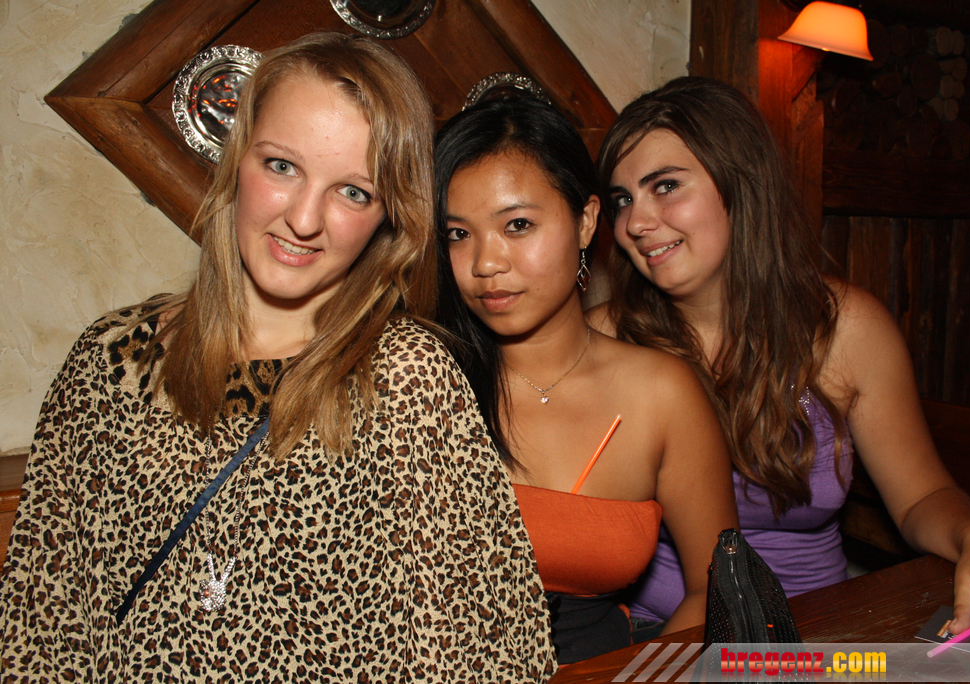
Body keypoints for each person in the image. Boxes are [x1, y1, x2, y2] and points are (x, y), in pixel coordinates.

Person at [0, 34, 557, 681]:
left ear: (389, 216)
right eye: (282, 166)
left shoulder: (405, 379)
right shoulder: (112, 361)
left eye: (353, 192)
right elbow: (40, 625)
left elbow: (475, 652)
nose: (304, 219)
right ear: (238, 157)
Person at [591, 75, 970, 642]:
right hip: (658, 631)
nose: (634, 223)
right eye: (622, 200)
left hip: (816, 634)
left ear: (741, 184)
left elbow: (921, 495)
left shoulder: (847, 330)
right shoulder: (604, 339)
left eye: (665, 185)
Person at [433, 95, 738, 663]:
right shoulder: (421, 381)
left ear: (586, 221)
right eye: (458, 234)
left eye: (517, 225)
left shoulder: (661, 395)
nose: (485, 263)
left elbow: (716, 589)